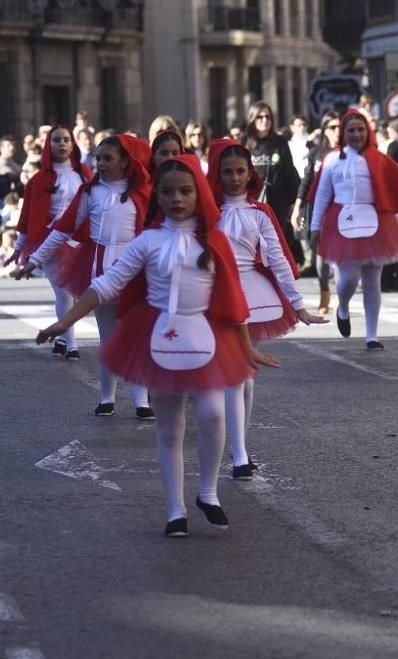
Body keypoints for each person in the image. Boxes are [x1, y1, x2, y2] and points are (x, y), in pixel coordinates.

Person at [36, 154, 278, 536]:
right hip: (158, 335)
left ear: (199, 193)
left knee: (214, 415)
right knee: (169, 429)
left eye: (185, 191)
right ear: (158, 197)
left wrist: (246, 349)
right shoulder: (148, 240)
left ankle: (208, 493)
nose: (177, 199)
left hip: (206, 335)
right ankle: (175, 510)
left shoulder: (214, 240)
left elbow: (233, 300)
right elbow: (107, 284)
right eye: (168, 192)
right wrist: (64, 322)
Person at [207, 139, 324, 479]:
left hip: (251, 292)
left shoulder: (260, 213)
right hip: (216, 293)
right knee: (236, 372)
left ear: (250, 173)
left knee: (246, 374)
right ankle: (239, 453)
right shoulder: (207, 212)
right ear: (217, 173)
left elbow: (277, 259)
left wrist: (299, 306)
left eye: (240, 171)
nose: (234, 178)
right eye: (227, 172)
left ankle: (239, 447)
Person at [15, 135, 154, 419]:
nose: (101, 164)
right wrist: (35, 259)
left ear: (125, 161)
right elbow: (63, 229)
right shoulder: (90, 192)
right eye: (98, 159)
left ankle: (142, 400)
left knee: (137, 337)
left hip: (135, 271)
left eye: (108, 159)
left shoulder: (143, 192)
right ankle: (107, 397)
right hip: (98, 268)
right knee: (108, 337)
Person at [309, 110, 398, 350]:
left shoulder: (379, 159)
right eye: (351, 130)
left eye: (361, 129)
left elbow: (396, 190)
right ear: (343, 133)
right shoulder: (332, 160)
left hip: (376, 222)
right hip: (343, 222)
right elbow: (321, 195)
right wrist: (315, 227)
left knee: (373, 280)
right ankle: (343, 306)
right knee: (348, 279)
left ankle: (372, 335)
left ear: (367, 131)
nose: (357, 134)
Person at [10, 126, 91, 360]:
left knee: (77, 294)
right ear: (48, 145)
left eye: (66, 139)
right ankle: (72, 344)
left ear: (73, 144)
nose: (62, 144)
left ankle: (62, 336)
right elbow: (28, 215)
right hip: (50, 241)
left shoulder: (84, 174)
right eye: (57, 140)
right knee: (63, 293)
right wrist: (18, 248)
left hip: (79, 240)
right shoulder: (38, 180)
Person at [243, 101, 302, 267]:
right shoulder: (244, 142)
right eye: (260, 117)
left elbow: (289, 172)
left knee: (276, 246)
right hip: (251, 204)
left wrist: (294, 203)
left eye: (268, 116)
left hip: (277, 203)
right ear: (252, 119)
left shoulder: (279, 142)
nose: (264, 120)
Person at [293, 111, 340, 314]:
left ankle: (341, 297)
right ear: (324, 130)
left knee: (339, 256)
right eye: (332, 127)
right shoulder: (315, 153)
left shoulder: (348, 152)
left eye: (340, 127)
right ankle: (324, 294)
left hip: (340, 209)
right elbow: (306, 182)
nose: (337, 131)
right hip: (318, 210)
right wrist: (297, 208)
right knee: (320, 258)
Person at [287, 114, 310, 179]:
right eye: (299, 125)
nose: (302, 127)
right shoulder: (289, 144)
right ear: (292, 127)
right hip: (295, 178)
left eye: (304, 125)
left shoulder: (314, 141)